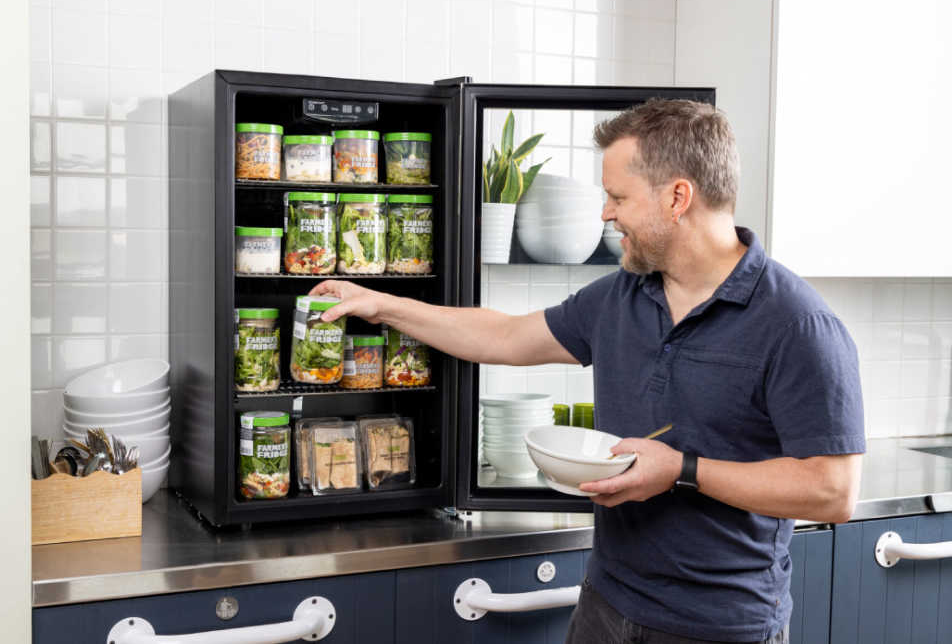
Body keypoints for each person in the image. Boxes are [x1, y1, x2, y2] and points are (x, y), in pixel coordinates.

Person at [310, 99, 864, 643]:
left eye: (618, 196)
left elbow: (833, 491)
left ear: (678, 197)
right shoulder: (622, 296)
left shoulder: (798, 325)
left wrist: (682, 469)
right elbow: (502, 335)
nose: (606, 212)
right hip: (606, 604)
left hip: (720, 625)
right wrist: (379, 305)